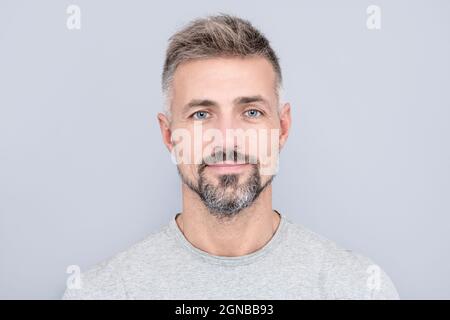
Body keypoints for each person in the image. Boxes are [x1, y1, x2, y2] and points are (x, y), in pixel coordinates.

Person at [62, 14, 399, 300]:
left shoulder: (357, 288)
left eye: (251, 112)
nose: (227, 138)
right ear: (168, 135)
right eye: (201, 115)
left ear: (282, 128)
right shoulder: (102, 292)